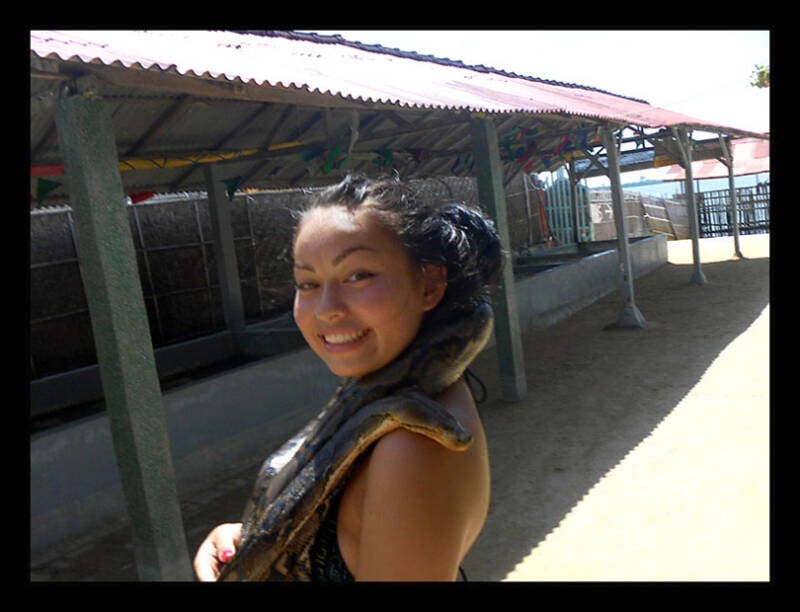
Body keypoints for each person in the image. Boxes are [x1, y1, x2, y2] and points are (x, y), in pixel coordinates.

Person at [194, 174, 503, 581]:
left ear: (429, 285)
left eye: (358, 276)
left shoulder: (412, 444)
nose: (327, 308)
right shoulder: (397, 397)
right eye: (307, 283)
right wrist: (248, 540)